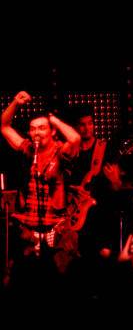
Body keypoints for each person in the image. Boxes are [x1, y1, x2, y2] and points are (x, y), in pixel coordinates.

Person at [1, 91, 81, 259]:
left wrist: (54, 120)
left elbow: (74, 139)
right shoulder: (28, 149)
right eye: (33, 129)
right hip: (29, 229)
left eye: (42, 128)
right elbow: (4, 126)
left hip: (56, 228)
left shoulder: (60, 151)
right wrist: (15, 103)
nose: (36, 132)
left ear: (52, 132)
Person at [65, 105, 122, 257]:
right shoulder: (70, 150)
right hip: (75, 213)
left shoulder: (105, 148)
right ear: (75, 127)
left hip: (101, 215)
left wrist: (115, 180)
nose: (87, 128)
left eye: (90, 123)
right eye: (82, 124)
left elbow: (117, 187)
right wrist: (73, 189)